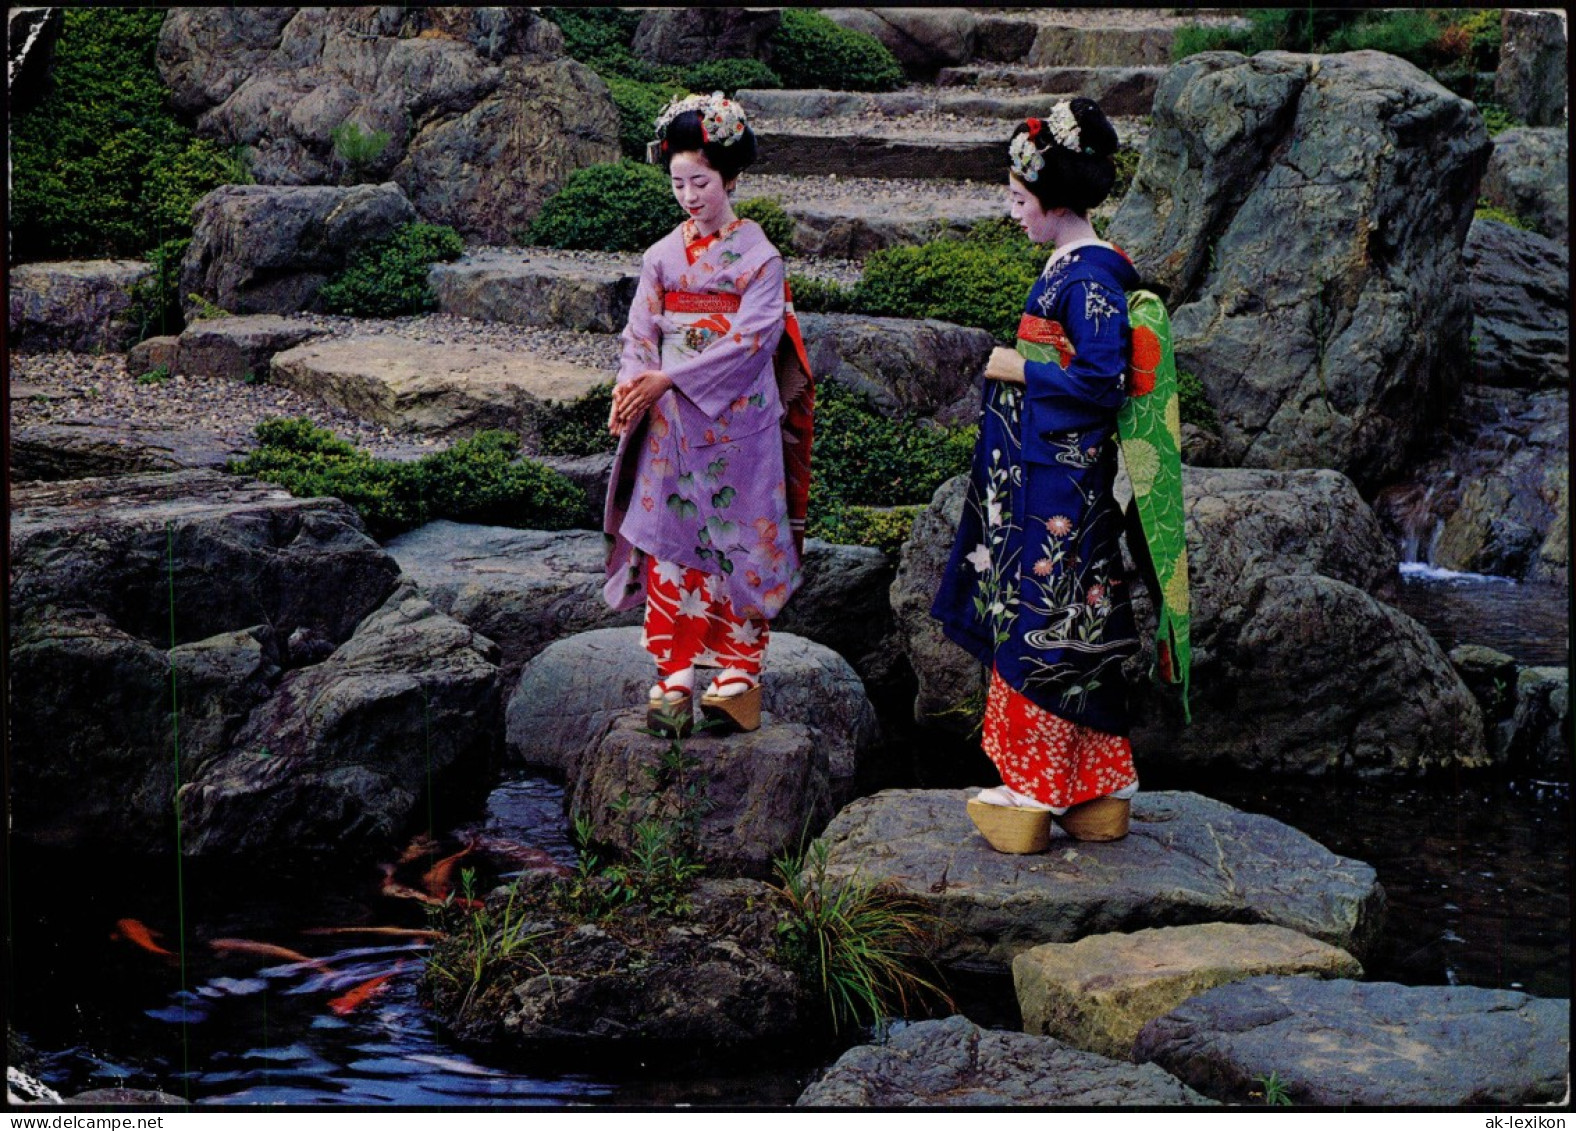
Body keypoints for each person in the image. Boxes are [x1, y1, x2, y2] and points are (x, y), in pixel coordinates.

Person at [932, 98, 1152, 849]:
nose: (1013, 211)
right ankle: (1097, 783)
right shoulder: (1078, 268)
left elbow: (1102, 381)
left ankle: (1034, 787)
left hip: (1060, 483)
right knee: (1073, 615)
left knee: (1046, 619)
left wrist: (1021, 367)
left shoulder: (1090, 280)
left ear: (1056, 203)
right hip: (1053, 475)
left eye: (1020, 200)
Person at [603, 91, 814, 738]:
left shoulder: (760, 258)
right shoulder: (662, 256)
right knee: (672, 544)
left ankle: (738, 672)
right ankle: (674, 673)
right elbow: (640, 332)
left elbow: (753, 344)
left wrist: (670, 375)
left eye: (701, 181)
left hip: (738, 428)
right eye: (678, 182)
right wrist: (632, 382)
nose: (689, 195)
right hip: (670, 426)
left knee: (738, 543)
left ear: (729, 178)